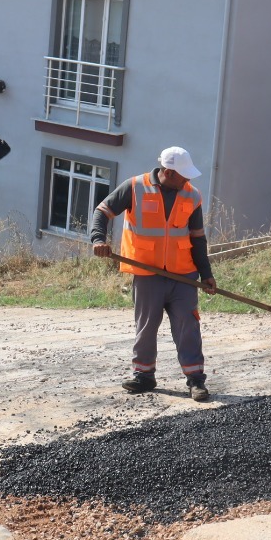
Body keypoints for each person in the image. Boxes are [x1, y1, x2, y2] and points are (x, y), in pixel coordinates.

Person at [90, 146, 218, 401]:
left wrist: (206, 274)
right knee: (146, 327)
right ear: (169, 172)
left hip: (183, 275)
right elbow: (102, 212)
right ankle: (144, 376)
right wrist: (98, 240)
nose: (188, 180)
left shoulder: (192, 196)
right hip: (147, 273)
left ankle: (196, 380)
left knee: (188, 325)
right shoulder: (135, 187)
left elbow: (198, 239)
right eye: (183, 175)